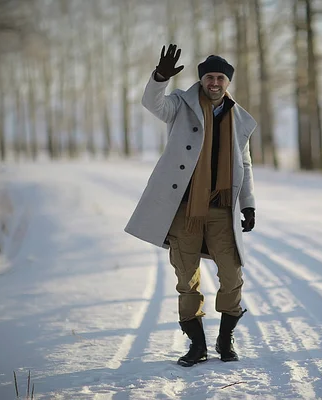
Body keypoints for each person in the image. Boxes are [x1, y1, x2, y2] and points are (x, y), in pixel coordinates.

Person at [124, 44, 257, 367]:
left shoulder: (238, 118)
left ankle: (225, 339)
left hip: (221, 208)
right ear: (201, 80)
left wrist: (248, 204)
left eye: (220, 78)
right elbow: (151, 103)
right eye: (209, 77)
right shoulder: (180, 105)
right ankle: (197, 346)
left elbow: (244, 162)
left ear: (228, 83)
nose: (214, 83)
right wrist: (159, 78)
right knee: (187, 278)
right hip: (184, 209)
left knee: (231, 274)